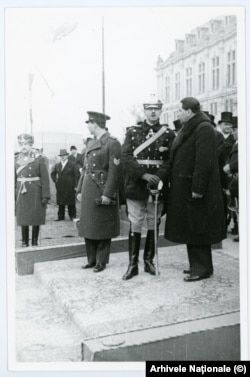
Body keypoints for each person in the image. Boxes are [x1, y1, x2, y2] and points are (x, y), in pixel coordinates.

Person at [165, 97, 226, 282]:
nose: (178, 114)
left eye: (180, 111)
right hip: (188, 189)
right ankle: (197, 265)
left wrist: (198, 188)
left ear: (189, 111)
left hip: (197, 191)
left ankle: (201, 269)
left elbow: (204, 162)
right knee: (191, 229)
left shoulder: (203, 128)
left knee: (199, 229)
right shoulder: (194, 127)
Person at [122, 96, 175, 280]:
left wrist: (158, 177)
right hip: (136, 185)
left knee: (153, 223)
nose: (153, 112)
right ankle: (132, 265)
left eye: (156, 109)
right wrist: (143, 175)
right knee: (135, 223)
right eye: (150, 109)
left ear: (161, 111)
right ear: (144, 111)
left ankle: (149, 262)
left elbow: (170, 160)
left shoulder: (168, 134)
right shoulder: (132, 132)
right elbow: (126, 157)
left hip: (157, 187)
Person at [76, 111, 121, 273]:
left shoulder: (112, 143)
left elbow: (115, 172)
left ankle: (101, 261)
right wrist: (80, 189)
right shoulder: (90, 143)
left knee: (102, 226)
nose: (88, 126)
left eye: (89, 123)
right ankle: (91, 259)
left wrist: (108, 194)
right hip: (89, 190)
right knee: (89, 225)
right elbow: (85, 170)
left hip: (102, 189)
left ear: (95, 123)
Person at [15, 133, 50, 247]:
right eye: (21, 144)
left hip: (35, 192)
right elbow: (13, 180)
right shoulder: (16, 159)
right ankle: (25, 242)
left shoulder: (39, 159)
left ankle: (34, 242)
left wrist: (45, 195)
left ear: (31, 145)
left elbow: (45, 178)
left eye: (25, 144)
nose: (23, 146)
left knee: (35, 217)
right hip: (21, 192)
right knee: (23, 218)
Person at [51, 149, 78, 221]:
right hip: (60, 186)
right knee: (61, 202)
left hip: (70, 186)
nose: (63, 157)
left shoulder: (73, 165)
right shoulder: (58, 165)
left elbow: (77, 176)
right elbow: (53, 173)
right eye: (61, 156)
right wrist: (55, 180)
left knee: (71, 202)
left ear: (67, 156)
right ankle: (60, 217)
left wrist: (76, 186)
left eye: (64, 155)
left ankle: (73, 216)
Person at [223, 116, 239, 241]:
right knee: (236, 207)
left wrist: (230, 167)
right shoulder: (237, 142)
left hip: (238, 177)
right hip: (234, 178)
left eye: (235, 129)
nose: (233, 132)